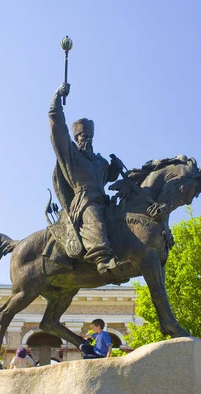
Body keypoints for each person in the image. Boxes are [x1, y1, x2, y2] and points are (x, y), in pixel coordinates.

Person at [49, 83, 124, 279]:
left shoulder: (100, 161)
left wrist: (115, 168)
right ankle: (103, 261)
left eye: (89, 136)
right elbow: (58, 132)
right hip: (84, 202)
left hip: (103, 199)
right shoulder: (71, 156)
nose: (86, 139)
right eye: (82, 136)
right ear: (76, 138)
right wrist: (56, 101)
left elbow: (107, 178)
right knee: (94, 218)